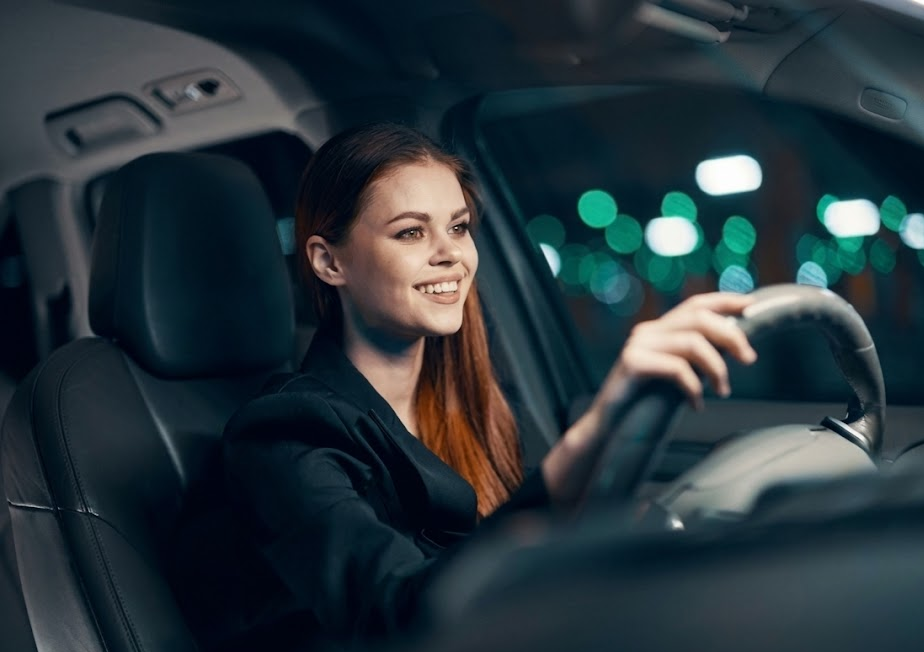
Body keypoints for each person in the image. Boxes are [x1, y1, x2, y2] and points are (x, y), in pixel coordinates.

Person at [217, 122, 757, 650]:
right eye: (410, 232)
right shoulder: (281, 434)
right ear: (329, 261)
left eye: (458, 227)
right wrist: (594, 434)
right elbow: (397, 614)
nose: (451, 253)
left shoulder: (477, 403)